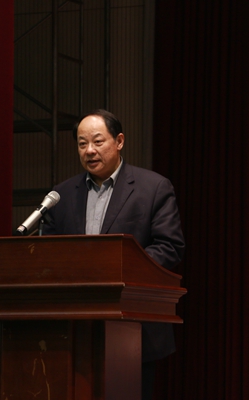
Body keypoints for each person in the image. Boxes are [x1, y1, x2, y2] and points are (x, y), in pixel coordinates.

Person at [42, 109, 185, 398]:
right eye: (82, 144)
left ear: (119, 141)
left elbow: (169, 246)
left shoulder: (153, 188)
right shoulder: (61, 195)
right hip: (74, 328)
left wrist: (117, 270)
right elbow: (49, 253)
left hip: (132, 325)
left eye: (98, 141)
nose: (89, 151)